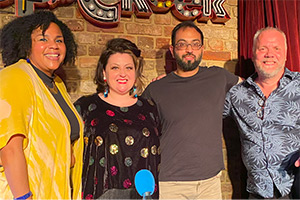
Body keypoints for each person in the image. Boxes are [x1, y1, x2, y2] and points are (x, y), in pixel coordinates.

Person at [142, 21, 241, 199]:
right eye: (182, 44)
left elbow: (253, 89)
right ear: (172, 50)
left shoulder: (218, 77)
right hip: (170, 183)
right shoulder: (156, 89)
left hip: (210, 183)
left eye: (195, 44)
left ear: (202, 48)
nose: (189, 49)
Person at [0, 11, 83, 199]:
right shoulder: (15, 76)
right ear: (25, 44)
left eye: (59, 40)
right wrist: (24, 197)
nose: (53, 46)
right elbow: (10, 148)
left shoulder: (57, 84)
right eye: (43, 39)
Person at [74, 38, 160, 199]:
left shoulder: (150, 108)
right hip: (99, 194)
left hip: (142, 195)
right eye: (115, 67)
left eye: (128, 67)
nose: (122, 73)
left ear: (135, 73)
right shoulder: (86, 107)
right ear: (103, 73)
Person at [223, 27, 300, 199]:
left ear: (286, 54)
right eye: (263, 48)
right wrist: (179, 77)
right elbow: (205, 111)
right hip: (257, 193)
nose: (269, 54)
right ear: (253, 54)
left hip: (294, 188)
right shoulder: (237, 94)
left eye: (276, 48)